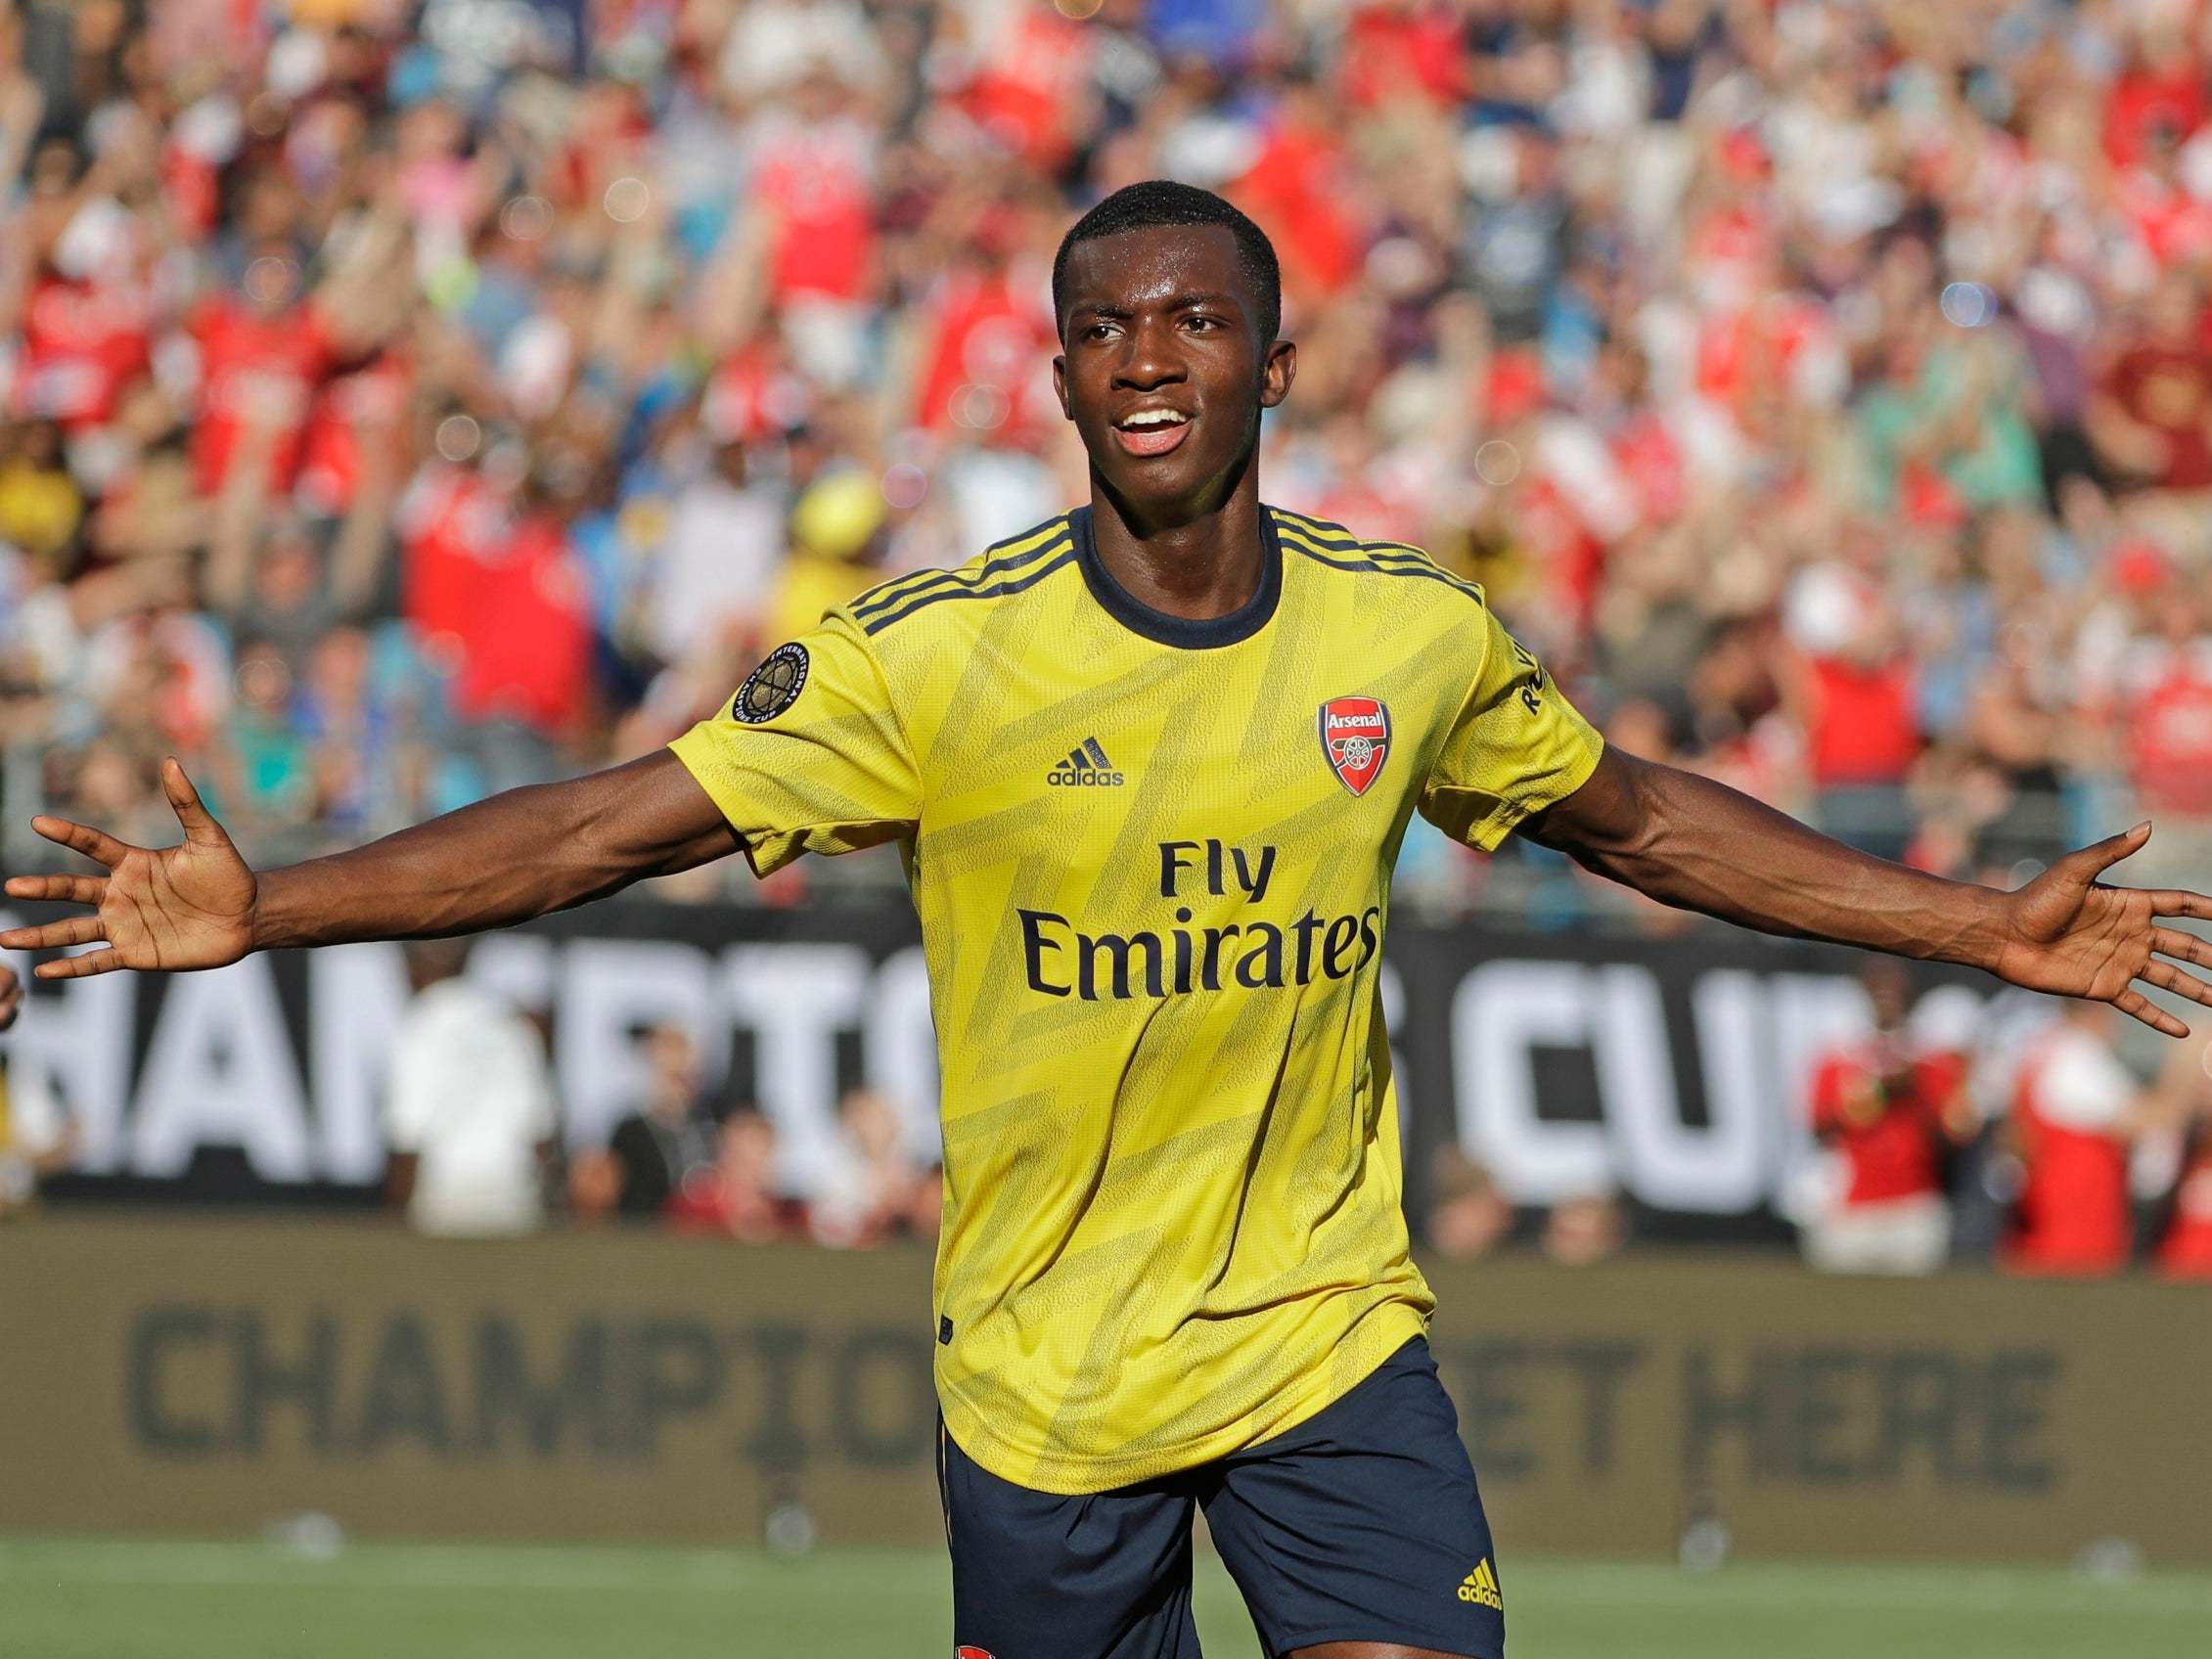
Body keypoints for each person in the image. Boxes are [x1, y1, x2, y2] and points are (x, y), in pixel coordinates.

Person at [8, 181, 2212, 1659]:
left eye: (1192, 318)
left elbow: (1634, 821)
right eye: (1099, 329)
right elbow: (605, 826)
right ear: (1056, 380)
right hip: (1043, 1383)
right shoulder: (928, 661)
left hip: (1326, 1335)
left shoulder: (1404, 635)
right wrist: (273, 902)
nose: (1144, 354)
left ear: (1273, 358)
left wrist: (1962, 925)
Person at [1800, 959, 1974, 1276]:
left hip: (1914, 1206)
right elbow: (1819, 1125)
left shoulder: (1930, 1060)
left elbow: (1953, 1136)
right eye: (1878, 986)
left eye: (1895, 987)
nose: (1887, 995)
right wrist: (1881, 1093)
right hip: (1851, 1207)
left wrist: (1916, 1091)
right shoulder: (1840, 1057)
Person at [381, 937, 559, 1238]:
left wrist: (396, 1215)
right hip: (512, 1190)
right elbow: (541, 1128)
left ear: (417, 966)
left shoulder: (420, 1024)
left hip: (447, 1191)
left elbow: (406, 1132)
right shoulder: (510, 1020)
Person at [2003, 1001, 2146, 1278]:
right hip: (2079, 1210)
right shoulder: (2080, 1054)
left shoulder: (2044, 1047)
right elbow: (2135, 1120)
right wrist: (2186, 1074)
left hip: (2048, 1200)